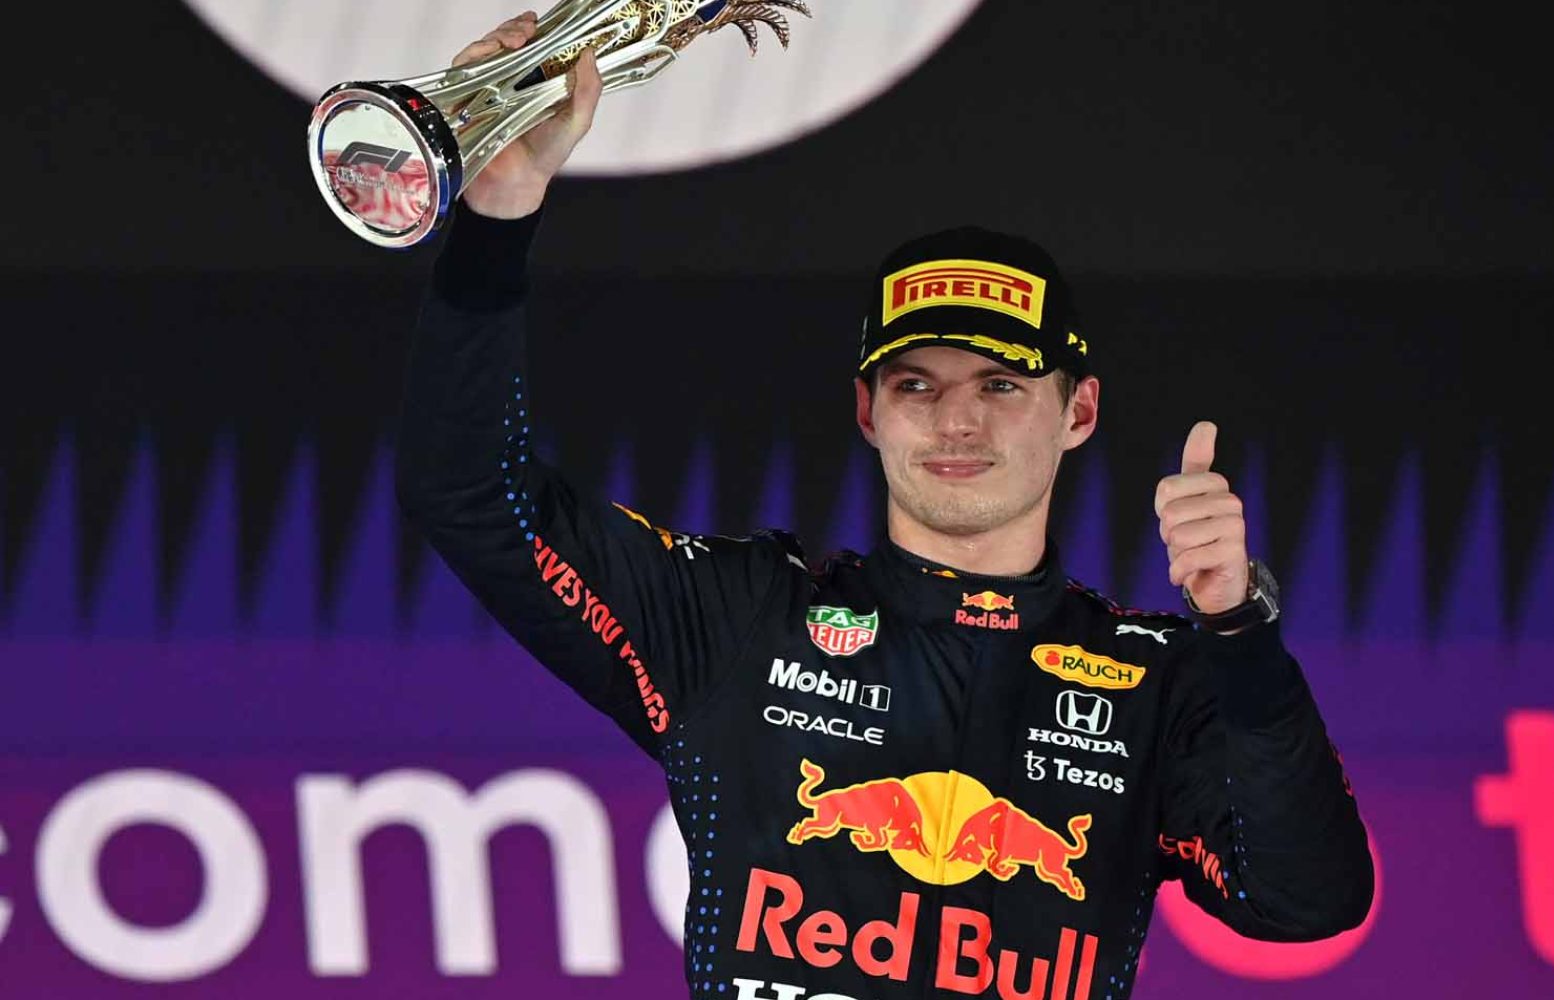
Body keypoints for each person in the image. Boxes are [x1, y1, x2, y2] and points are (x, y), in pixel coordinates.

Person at [396, 12, 1373, 999]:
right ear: (868, 410)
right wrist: (498, 213)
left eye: (1000, 385)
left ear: (1078, 410)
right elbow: (471, 491)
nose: (957, 420)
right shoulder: (742, 618)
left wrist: (1239, 629)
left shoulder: (1158, 684)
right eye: (916, 384)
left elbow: (1307, 902)